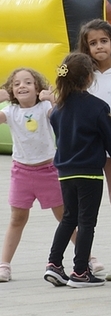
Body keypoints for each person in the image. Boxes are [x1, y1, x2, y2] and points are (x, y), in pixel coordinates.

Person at [44, 53, 111, 288]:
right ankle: (80, 271)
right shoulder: (98, 107)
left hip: (65, 172)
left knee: (69, 218)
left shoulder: (58, 110)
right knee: (87, 222)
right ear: (89, 78)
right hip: (89, 172)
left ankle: (54, 264)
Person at [78, 19, 111, 281]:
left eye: (103, 41)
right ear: (85, 47)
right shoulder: (83, 76)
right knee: (80, 205)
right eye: (93, 43)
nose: (99, 46)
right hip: (88, 147)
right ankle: (83, 260)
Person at [0, 69, 63, 282]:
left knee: (64, 216)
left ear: (38, 88)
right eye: (17, 84)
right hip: (21, 172)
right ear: (11, 91)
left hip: (48, 171)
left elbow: (62, 116)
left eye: (28, 82)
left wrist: (51, 98)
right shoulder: (10, 111)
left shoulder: (44, 107)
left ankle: (88, 258)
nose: (22, 86)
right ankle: (4, 265)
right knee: (17, 218)